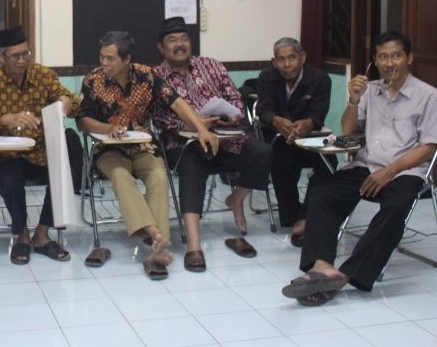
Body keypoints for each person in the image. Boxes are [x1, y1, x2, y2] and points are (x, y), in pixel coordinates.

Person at [281, 30, 437, 306]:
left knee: (395, 208)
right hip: (366, 165)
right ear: (375, 61)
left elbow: (429, 147)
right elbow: (348, 130)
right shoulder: (370, 91)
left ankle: (347, 274)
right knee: (322, 192)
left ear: (409, 58)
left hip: (404, 171)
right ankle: (322, 266)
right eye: (383, 57)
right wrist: (354, 100)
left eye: (396, 56)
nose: (390, 63)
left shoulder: (428, 95)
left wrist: (388, 173)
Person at [76, 30, 218, 280]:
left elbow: (176, 102)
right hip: (108, 147)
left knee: (159, 176)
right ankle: (156, 236)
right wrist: (108, 128)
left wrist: (201, 128)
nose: (104, 63)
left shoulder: (147, 75)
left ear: (126, 59)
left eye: (110, 58)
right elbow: (82, 121)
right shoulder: (93, 80)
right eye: (102, 57)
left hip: (143, 145)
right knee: (121, 176)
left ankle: (156, 248)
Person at [153, 17, 272, 270]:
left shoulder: (211, 65)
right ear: (161, 47)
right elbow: (158, 117)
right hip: (182, 145)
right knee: (192, 167)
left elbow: (235, 99)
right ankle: (194, 246)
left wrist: (229, 116)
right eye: (172, 40)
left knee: (262, 151)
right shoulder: (156, 77)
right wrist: (190, 125)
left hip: (225, 139)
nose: (179, 44)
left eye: (184, 39)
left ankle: (236, 199)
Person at [0, 26, 77, 265]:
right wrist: (6, 119)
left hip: (40, 151)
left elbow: (70, 100)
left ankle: (42, 233)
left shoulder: (42, 75)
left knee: (64, 171)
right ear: (1, 57)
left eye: (25, 54)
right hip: (5, 153)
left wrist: (65, 102)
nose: (21, 60)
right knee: (10, 180)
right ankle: (22, 234)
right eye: (15, 56)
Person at [256, 37, 336, 247]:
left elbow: (319, 113)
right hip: (279, 138)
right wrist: (276, 121)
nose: (287, 64)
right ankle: (293, 216)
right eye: (281, 60)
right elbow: (263, 110)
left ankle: (308, 215)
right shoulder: (266, 77)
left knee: (329, 162)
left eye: (292, 58)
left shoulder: (320, 79)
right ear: (274, 62)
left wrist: (308, 123)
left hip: (310, 136)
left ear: (303, 57)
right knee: (280, 161)